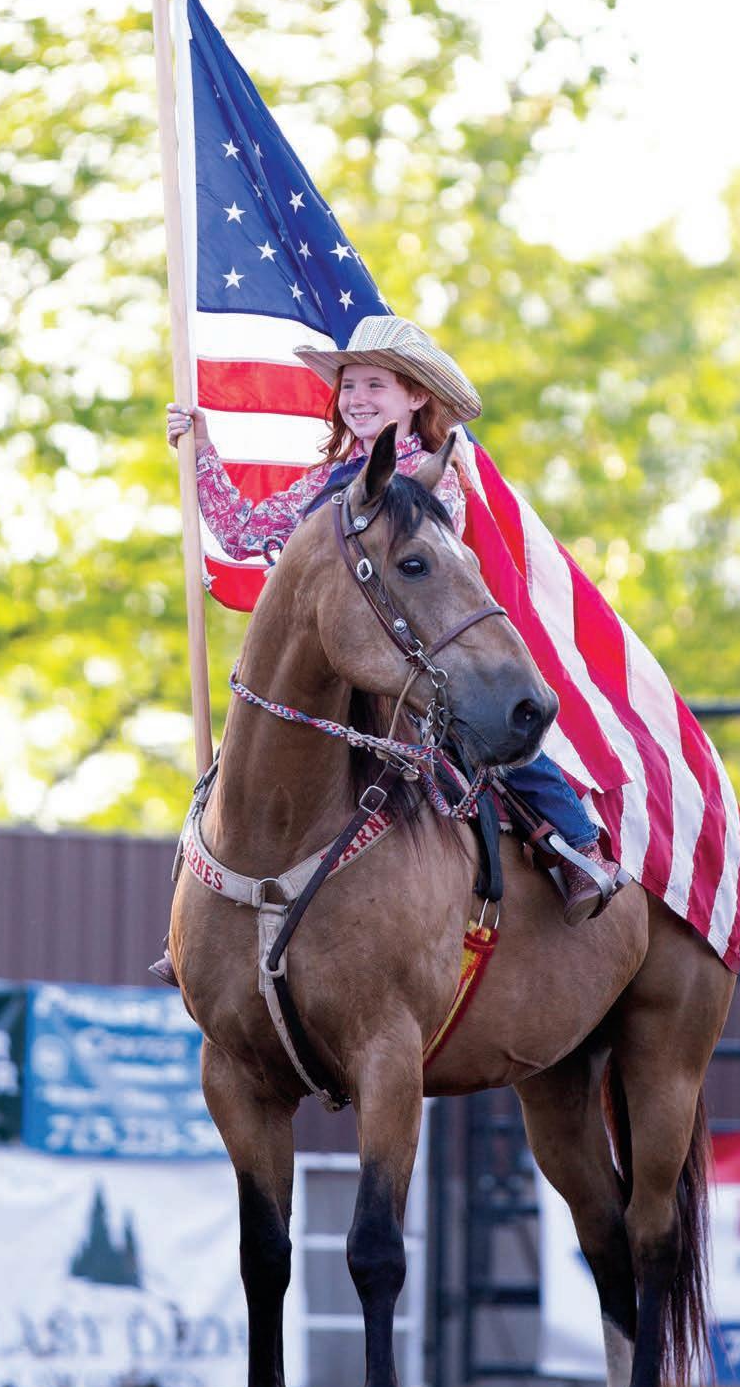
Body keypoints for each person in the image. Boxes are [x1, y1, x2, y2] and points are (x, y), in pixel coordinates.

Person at [160, 316, 620, 957]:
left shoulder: (430, 474)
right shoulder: (326, 482)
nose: (357, 398)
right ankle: (206, 919)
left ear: (416, 396)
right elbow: (243, 534)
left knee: (473, 728)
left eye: (375, 385)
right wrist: (201, 450)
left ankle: (574, 844)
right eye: (349, 385)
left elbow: (434, 565)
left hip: (405, 653)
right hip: (329, 661)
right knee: (249, 748)